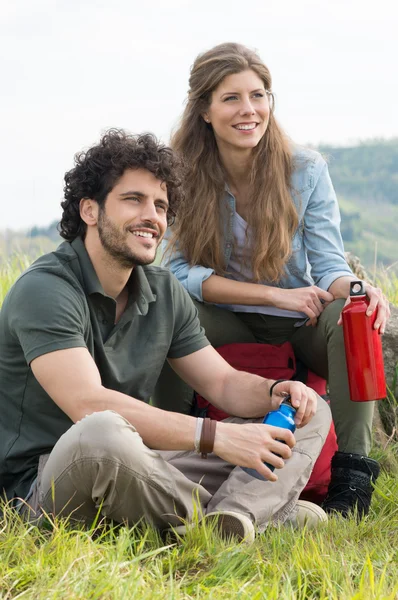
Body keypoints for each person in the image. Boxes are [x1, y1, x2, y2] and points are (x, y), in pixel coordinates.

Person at [0, 129, 332, 541]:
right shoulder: (45, 289)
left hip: (140, 463)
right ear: (90, 210)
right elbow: (87, 404)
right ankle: (256, 514)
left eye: (160, 205)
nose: (152, 217)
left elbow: (223, 382)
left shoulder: (161, 289)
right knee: (101, 431)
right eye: (133, 199)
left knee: (308, 407)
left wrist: (276, 390)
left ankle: (234, 518)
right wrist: (218, 436)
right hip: (44, 485)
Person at [155, 42, 390, 519]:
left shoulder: (304, 170)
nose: (249, 110)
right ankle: (169, 452)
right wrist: (272, 294)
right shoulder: (182, 173)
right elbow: (179, 274)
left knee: (354, 317)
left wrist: (361, 292)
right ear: (204, 109)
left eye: (259, 95)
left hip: (299, 326)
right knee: (162, 304)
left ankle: (352, 477)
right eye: (232, 98)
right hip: (225, 320)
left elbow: (328, 266)